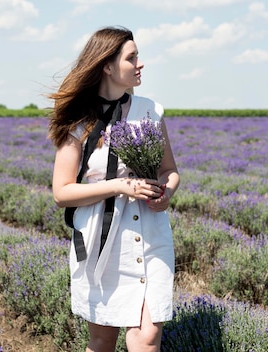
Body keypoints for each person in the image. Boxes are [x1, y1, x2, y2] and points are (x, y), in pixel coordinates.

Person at [48, 26, 180, 352]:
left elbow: (170, 170)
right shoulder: (79, 121)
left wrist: (166, 193)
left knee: (147, 337)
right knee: (102, 341)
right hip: (101, 240)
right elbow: (61, 192)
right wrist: (121, 185)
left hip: (151, 233)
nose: (140, 64)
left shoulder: (150, 111)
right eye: (131, 57)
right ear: (107, 66)